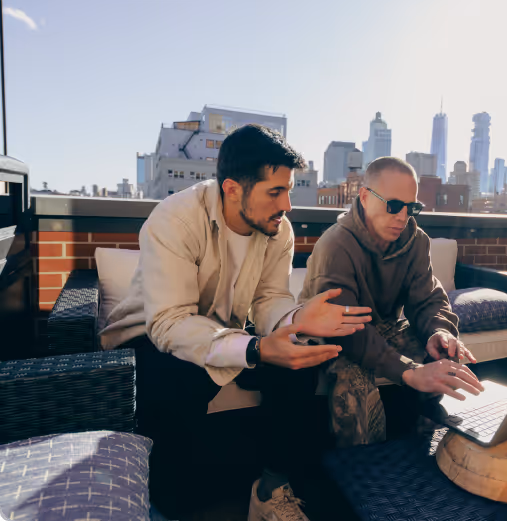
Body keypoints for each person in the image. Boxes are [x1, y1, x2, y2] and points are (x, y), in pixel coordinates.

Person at [100, 124, 371, 521]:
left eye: (289, 190)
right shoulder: (175, 220)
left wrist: (297, 320)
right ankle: (169, 504)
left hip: (227, 332)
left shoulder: (277, 229)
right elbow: (170, 323)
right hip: (148, 337)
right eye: (275, 192)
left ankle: (270, 489)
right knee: (182, 378)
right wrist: (256, 349)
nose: (288, 205)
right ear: (232, 189)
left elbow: (269, 300)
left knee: (299, 362)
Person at [299, 157, 484, 448]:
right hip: (330, 336)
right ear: (364, 197)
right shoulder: (335, 245)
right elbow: (347, 329)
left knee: (442, 353)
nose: (403, 217)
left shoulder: (416, 241)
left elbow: (428, 299)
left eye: (411, 208)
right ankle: (362, 469)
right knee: (353, 377)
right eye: (394, 205)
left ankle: (429, 445)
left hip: (382, 328)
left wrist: (440, 332)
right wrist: (409, 371)